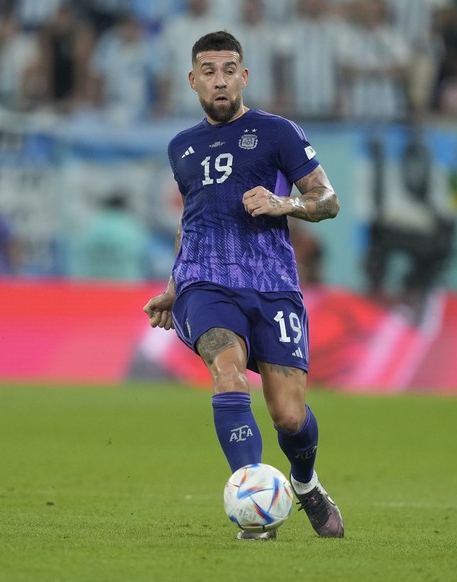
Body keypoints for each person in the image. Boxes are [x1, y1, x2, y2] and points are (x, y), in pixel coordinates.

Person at [142, 31, 344, 540]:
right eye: (208, 71)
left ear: (244, 76)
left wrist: (286, 204)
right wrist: (173, 284)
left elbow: (327, 198)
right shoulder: (181, 147)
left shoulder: (277, 132)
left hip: (272, 285)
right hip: (205, 284)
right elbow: (192, 220)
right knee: (227, 370)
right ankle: (255, 508)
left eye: (229, 69)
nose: (220, 80)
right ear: (193, 81)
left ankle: (305, 483)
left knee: (289, 415)